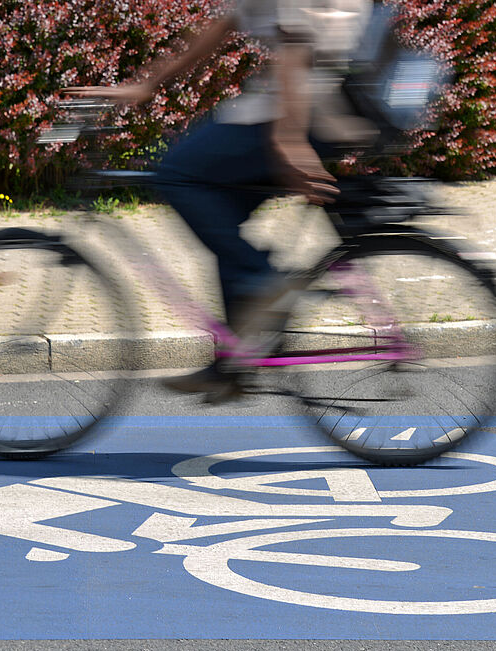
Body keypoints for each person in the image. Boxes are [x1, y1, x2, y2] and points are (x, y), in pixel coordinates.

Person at [70, 1, 377, 394]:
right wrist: (147, 83)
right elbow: (218, 27)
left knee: (180, 175)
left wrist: (289, 139)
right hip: (304, 107)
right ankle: (236, 357)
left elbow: (296, 44)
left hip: (305, 111)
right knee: (219, 221)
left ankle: (263, 285)